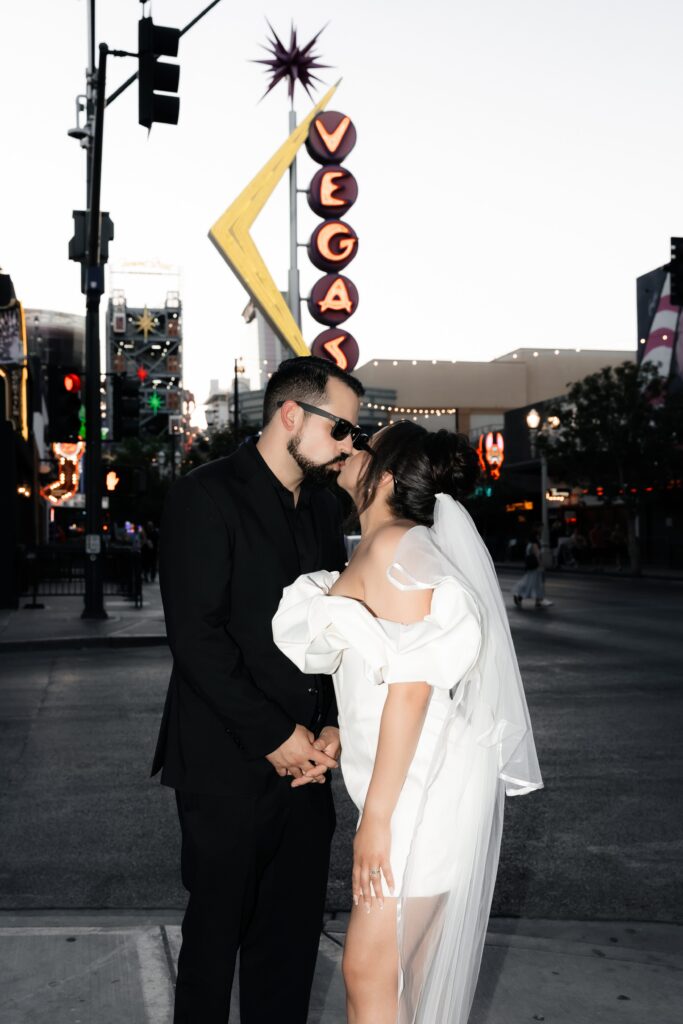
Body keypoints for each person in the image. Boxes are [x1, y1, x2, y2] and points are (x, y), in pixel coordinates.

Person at [273, 421, 543, 1024]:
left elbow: (414, 690)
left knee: (369, 970)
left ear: (385, 476)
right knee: (407, 976)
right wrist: (342, 728)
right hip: (409, 779)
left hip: (418, 790)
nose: (349, 447)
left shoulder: (398, 545)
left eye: (363, 444)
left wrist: (377, 822)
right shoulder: (382, 544)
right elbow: (383, 664)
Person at [152, 356, 365, 1023]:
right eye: (341, 432)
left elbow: (338, 628)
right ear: (291, 415)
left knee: (291, 943)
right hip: (224, 764)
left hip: (308, 769)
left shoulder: (325, 507)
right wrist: (274, 736)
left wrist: (333, 724)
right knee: (215, 943)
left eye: (355, 437)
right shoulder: (205, 494)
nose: (349, 448)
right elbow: (197, 638)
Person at [512, 528, 553, 608]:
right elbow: (537, 554)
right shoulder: (534, 544)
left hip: (531, 567)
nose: (539, 537)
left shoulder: (529, 544)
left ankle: (524, 597)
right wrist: (541, 565)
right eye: (539, 535)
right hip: (535, 567)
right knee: (536, 584)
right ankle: (537, 600)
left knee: (530, 584)